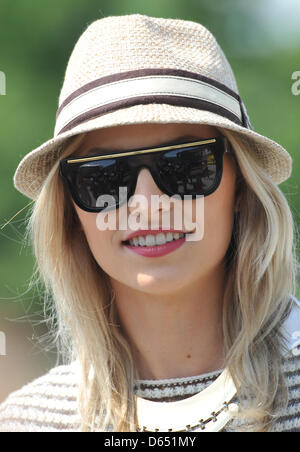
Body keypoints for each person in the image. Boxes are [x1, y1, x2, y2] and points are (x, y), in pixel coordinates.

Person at [0, 13, 299, 433]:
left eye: (185, 165)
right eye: (104, 176)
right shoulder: (29, 422)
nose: (147, 203)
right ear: (71, 211)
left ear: (243, 188)